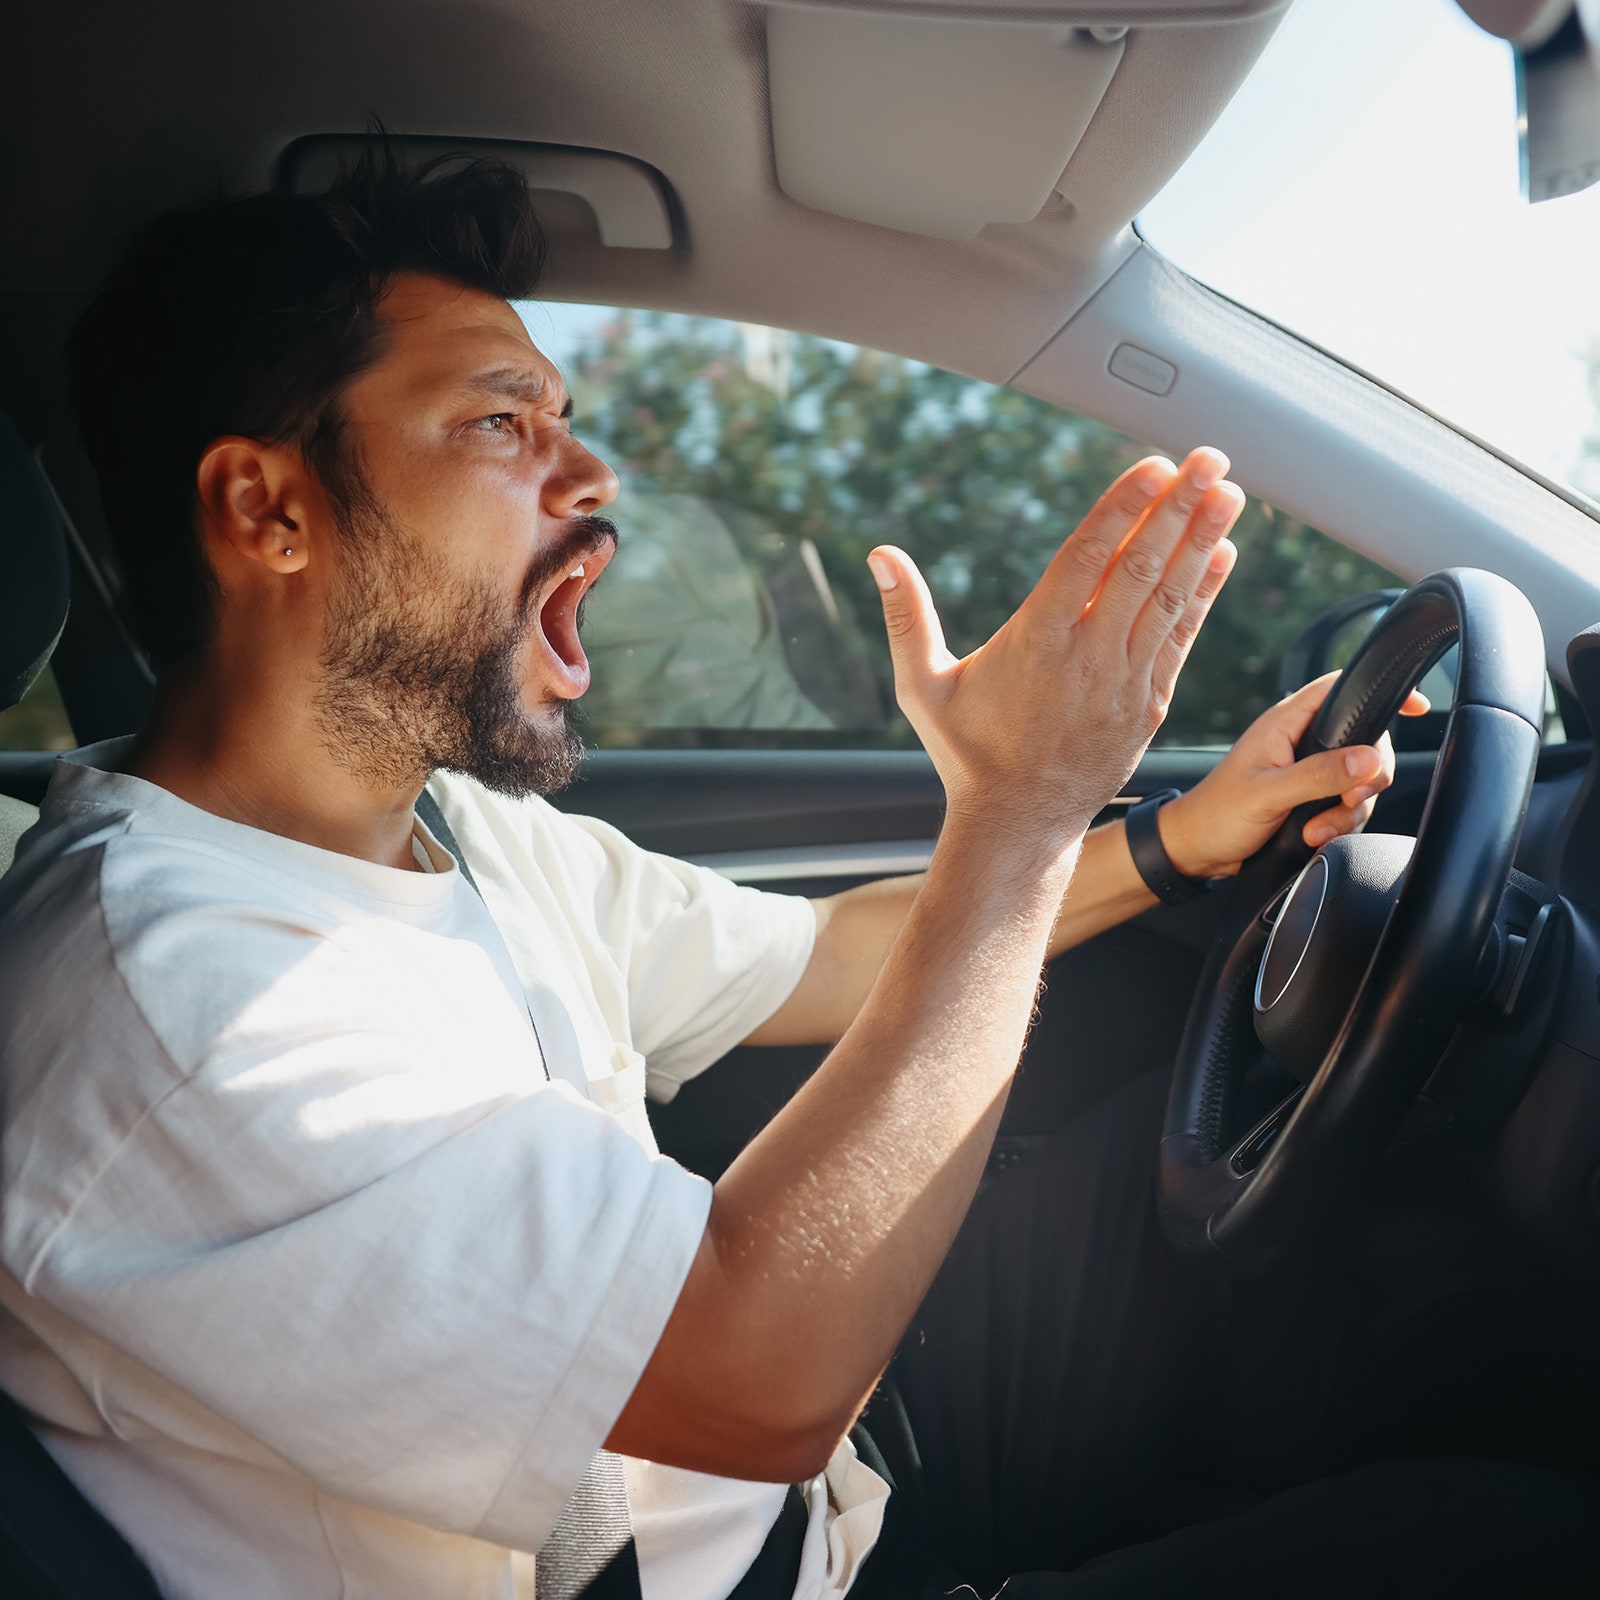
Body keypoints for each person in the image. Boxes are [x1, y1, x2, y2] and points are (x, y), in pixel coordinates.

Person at [0, 153, 1591, 1600]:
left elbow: (829, 958)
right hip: (757, 1526)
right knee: (1509, 1548)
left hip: (831, 1481)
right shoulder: (172, 1003)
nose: (588, 476)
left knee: (1346, 1251)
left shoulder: (454, 830)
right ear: (265, 508)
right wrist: (1016, 810)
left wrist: (1180, 834)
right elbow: (758, 1376)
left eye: (561, 415)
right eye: (500, 421)